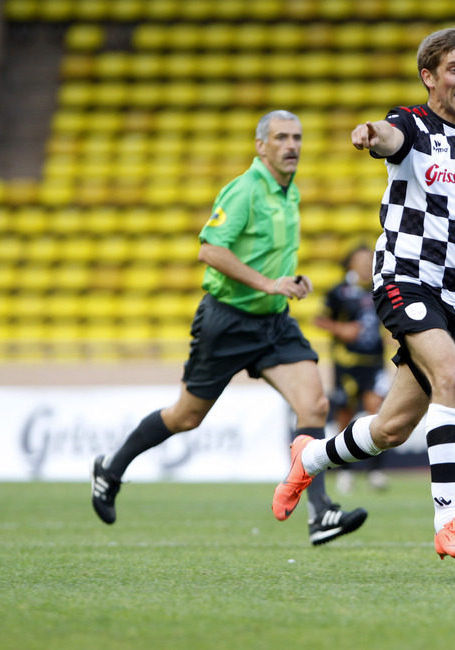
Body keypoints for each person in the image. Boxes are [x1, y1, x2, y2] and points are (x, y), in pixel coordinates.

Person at [271, 26, 455, 560]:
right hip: (404, 275)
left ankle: (307, 460)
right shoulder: (413, 126)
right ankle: (450, 522)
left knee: (392, 428)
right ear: (430, 77)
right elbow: (388, 135)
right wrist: (368, 133)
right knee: (453, 376)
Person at [91, 110, 367, 546]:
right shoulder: (245, 190)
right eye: (280, 137)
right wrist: (268, 282)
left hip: (274, 320)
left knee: (313, 406)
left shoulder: (287, 191)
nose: (291, 145)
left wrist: (290, 281)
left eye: (296, 137)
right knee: (185, 416)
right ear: (261, 146)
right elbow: (210, 250)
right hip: (228, 320)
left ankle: (320, 514)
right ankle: (111, 468)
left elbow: (266, 254)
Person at [314, 244, 390, 493]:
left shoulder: (381, 288)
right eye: (361, 260)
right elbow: (320, 319)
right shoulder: (339, 292)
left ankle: (375, 470)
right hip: (346, 363)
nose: (366, 265)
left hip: (375, 362)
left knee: (377, 412)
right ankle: (345, 471)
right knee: (344, 415)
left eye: (370, 260)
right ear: (350, 264)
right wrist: (341, 330)